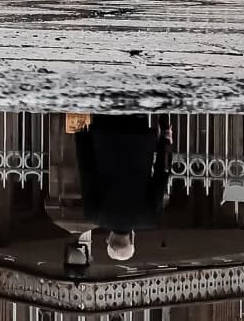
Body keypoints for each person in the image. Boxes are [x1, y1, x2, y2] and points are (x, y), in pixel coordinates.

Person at [73, 113, 172, 263]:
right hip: (105, 137)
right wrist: (81, 136)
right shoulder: (93, 214)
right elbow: (86, 170)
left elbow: (161, 174)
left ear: (132, 238)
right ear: (109, 239)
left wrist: (165, 139)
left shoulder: (148, 217)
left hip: (139, 139)